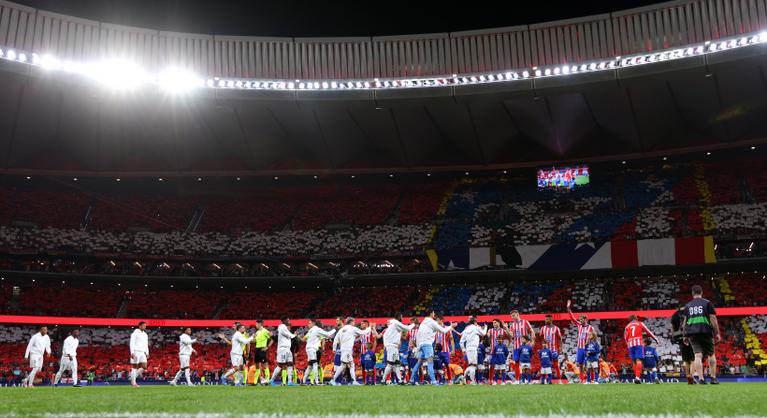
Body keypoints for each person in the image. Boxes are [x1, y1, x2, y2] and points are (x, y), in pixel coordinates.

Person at [682, 285, 721, 385]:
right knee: (711, 354)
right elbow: (713, 318)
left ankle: (701, 379)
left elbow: (685, 322)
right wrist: (717, 333)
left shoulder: (688, 305)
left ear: (692, 293)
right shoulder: (707, 303)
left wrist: (684, 335)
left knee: (697, 355)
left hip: (692, 333)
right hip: (706, 331)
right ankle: (713, 378)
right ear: (701, 292)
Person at [409, 312, 453, 385]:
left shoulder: (423, 322)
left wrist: (418, 347)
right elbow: (443, 331)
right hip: (427, 345)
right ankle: (434, 381)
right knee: (430, 363)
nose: (434, 314)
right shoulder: (432, 322)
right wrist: (450, 326)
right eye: (433, 313)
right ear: (431, 314)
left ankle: (411, 380)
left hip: (421, 345)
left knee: (419, 363)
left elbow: (419, 335)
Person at [330, 317, 373, 386]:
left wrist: (334, 349)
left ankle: (354, 381)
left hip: (343, 349)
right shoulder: (353, 328)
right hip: (347, 349)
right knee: (343, 365)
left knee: (351, 365)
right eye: (354, 322)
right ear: (351, 322)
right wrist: (370, 327)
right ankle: (333, 380)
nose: (354, 323)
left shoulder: (342, 329)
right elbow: (364, 332)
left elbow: (335, 340)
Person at [567, 300, 596, 382]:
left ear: (585, 319)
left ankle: (592, 379)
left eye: (581, 319)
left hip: (587, 348)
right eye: (579, 319)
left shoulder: (590, 328)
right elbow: (572, 318)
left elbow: (594, 337)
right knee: (580, 364)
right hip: (580, 348)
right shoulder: (579, 325)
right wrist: (568, 308)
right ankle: (582, 379)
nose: (580, 320)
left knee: (589, 364)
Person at [382, 314, 415, 384]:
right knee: (390, 364)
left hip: (393, 346)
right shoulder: (396, 323)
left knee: (397, 364)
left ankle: (399, 380)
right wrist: (413, 324)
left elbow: (384, 335)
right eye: (401, 317)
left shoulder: (392, 325)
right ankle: (383, 380)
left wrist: (386, 344)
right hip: (392, 346)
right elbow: (407, 328)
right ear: (399, 317)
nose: (402, 318)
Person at [624, 314, 658, 384]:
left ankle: (636, 377)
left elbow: (626, 337)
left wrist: (628, 344)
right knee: (639, 360)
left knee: (634, 361)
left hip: (630, 344)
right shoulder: (640, 323)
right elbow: (648, 332)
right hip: (638, 343)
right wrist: (655, 339)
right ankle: (637, 378)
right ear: (636, 318)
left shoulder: (627, 326)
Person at [303, 318, 336, 385]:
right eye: (322, 324)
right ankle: (317, 382)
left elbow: (325, 337)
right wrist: (335, 329)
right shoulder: (317, 329)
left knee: (310, 366)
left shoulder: (311, 330)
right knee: (315, 364)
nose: (323, 326)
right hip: (312, 349)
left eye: (309, 323)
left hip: (309, 348)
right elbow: (328, 334)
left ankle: (303, 381)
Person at [504, 310, 535, 382]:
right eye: (511, 316)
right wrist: (507, 329)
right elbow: (511, 335)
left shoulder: (525, 322)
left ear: (517, 314)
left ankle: (528, 380)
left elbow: (532, 331)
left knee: (526, 364)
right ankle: (518, 380)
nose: (512, 317)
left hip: (524, 347)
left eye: (513, 315)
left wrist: (532, 341)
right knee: (517, 363)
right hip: (516, 347)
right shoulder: (512, 325)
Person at [459, 316, 487, 385]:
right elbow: (483, 333)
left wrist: (463, 350)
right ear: (475, 322)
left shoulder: (466, 329)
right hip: (474, 348)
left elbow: (461, 341)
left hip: (468, 348)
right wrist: (486, 327)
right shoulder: (476, 328)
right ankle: (472, 381)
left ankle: (463, 377)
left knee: (471, 365)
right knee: (474, 365)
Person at [671, 305, 695, 384]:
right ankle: (691, 376)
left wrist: (673, 337)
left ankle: (688, 375)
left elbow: (672, 327)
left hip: (679, 338)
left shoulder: (675, 314)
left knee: (686, 359)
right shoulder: (690, 312)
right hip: (690, 336)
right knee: (693, 359)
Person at [271, 317, 298, 386]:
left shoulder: (285, 328)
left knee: (290, 364)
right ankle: (271, 380)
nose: (289, 321)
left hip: (288, 349)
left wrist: (293, 335)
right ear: (284, 321)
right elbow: (288, 335)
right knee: (281, 365)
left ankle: (289, 382)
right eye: (288, 320)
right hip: (282, 349)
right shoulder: (281, 327)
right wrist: (294, 335)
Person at [540, 314, 563, 383]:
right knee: (545, 365)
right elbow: (541, 337)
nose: (546, 320)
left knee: (556, 365)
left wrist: (560, 347)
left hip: (554, 350)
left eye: (547, 319)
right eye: (545, 319)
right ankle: (545, 380)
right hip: (546, 351)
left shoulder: (556, 328)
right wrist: (543, 345)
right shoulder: (543, 328)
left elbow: (560, 338)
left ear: (551, 319)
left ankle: (559, 380)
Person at [129, 321, 149, 387]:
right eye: (143, 325)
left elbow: (146, 344)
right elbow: (132, 343)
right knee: (135, 367)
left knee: (144, 366)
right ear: (140, 326)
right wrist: (132, 352)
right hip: (136, 351)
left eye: (145, 326)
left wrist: (147, 352)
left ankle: (132, 377)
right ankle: (134, 383)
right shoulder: (135, 333)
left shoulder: (145, 334)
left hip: (142, 352)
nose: (145, 327)